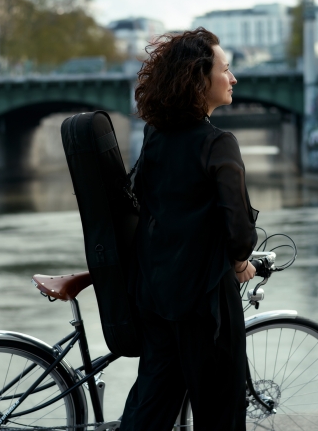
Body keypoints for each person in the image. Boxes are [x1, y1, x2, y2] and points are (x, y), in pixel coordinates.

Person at [120, 27, 258, 431]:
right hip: (206, 304)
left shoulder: (154, 136)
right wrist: (240, 262)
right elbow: (239, 231)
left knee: (151, 407)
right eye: (226, 70)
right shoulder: (218, 144)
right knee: (221, 414)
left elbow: (145, 201)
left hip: (156, 297)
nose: (232, 79)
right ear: (201, 78)